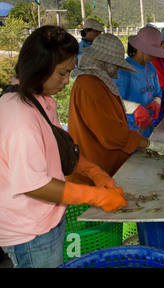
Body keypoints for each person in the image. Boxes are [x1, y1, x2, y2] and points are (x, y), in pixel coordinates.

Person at [0, 26, 127, 268]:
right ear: (40, 67)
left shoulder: (42, 101)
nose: (66, 81)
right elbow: (34, 185)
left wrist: (93, 171)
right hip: (29, 231)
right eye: (62, 73)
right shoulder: (18, 115)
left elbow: (60, 150)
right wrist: (95, 195)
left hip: (49, 218)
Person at [68, 33, 164, 186]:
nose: (116, 70)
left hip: (104, 166)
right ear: (105, 63)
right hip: (94, 173)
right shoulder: (90, 86)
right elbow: (112, 135)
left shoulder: (97, 82)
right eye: (114, 65)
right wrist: (149, 144)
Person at [114, 26, 164, 137]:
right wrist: (135, 108)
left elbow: (157, 93)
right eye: (150, 52)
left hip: (147, 128)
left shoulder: (151, 68)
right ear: (139, 48)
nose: (153, 57)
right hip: (130, 131)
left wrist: (156, 101)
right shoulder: (124, 70)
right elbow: (113, 101)